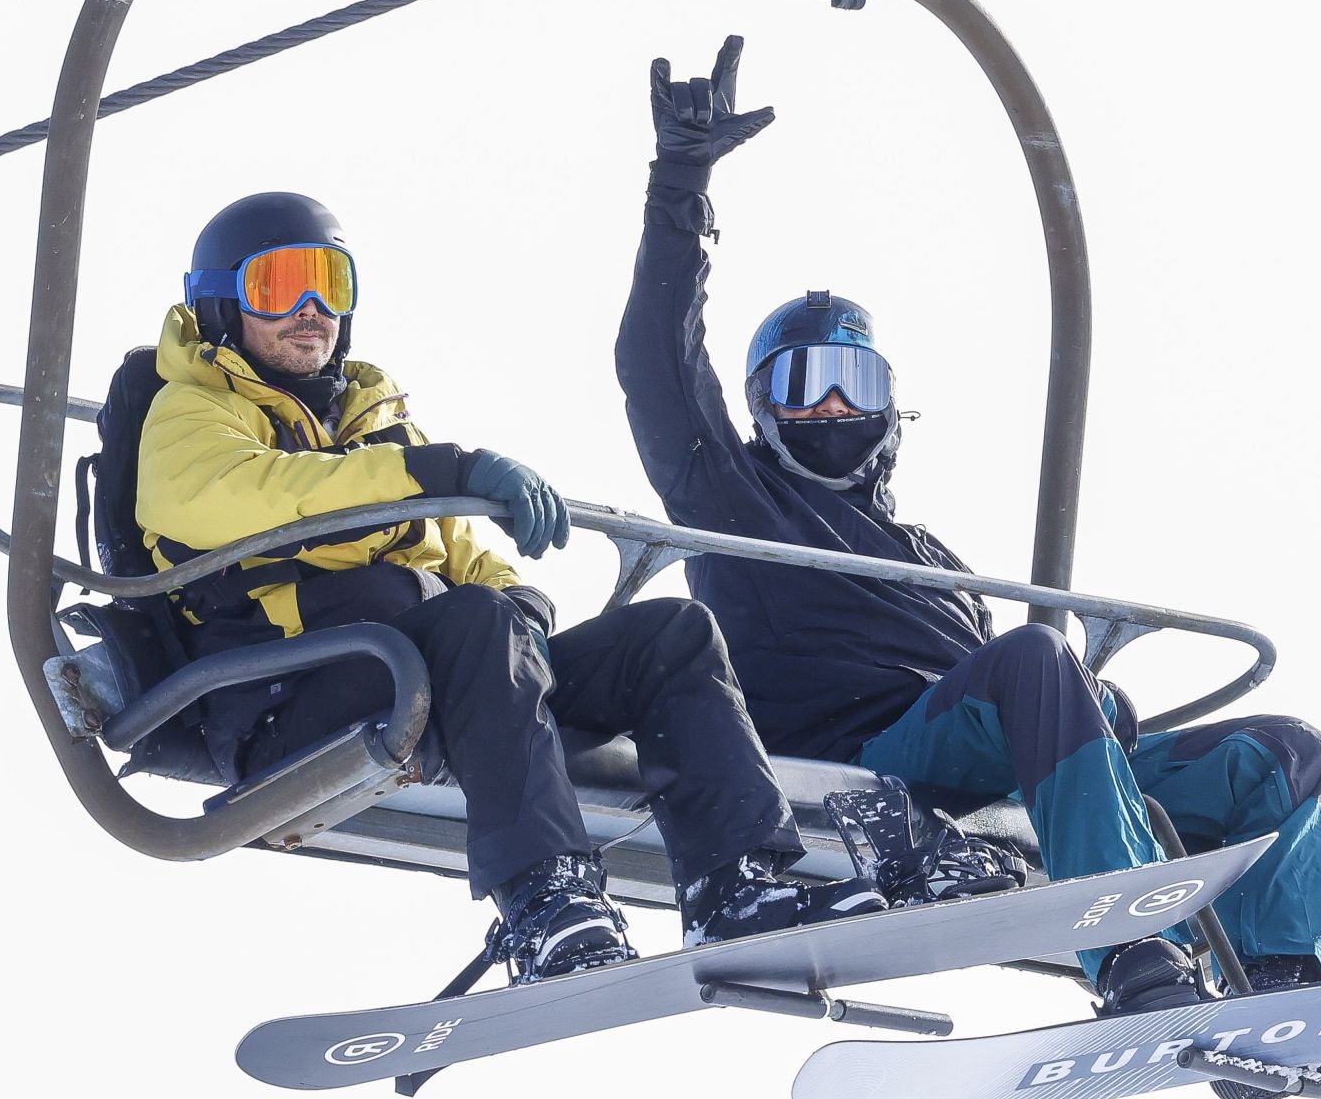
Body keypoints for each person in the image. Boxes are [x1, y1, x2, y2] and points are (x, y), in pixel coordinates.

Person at [615, 38, 1321, 1088]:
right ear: (763, 404)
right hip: (866, 762)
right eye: (806, 382)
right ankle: (1134, 951)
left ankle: (1285, 987)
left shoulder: (930, 553)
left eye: (855, 378)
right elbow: (655, 367)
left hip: (986, 752)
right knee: (1033, 658)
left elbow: (1031, 696)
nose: (834, 406)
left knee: (1292, 756)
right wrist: (681, 186)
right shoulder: (736, 493)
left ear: (888, 402)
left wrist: (1088, 707)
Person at [138, 191, 884, 985]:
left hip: (430, 671)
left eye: (331, 283)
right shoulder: (189, 413)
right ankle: (545, 899)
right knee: (472, 624)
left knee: (670, 634)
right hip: (283, 695)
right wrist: (445, 471)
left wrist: (521, 607)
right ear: (222, 302)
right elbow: (260, 493)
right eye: (281, 285)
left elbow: (460, 551)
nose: (313, 309)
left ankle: (735, 883)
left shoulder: (369, 417)